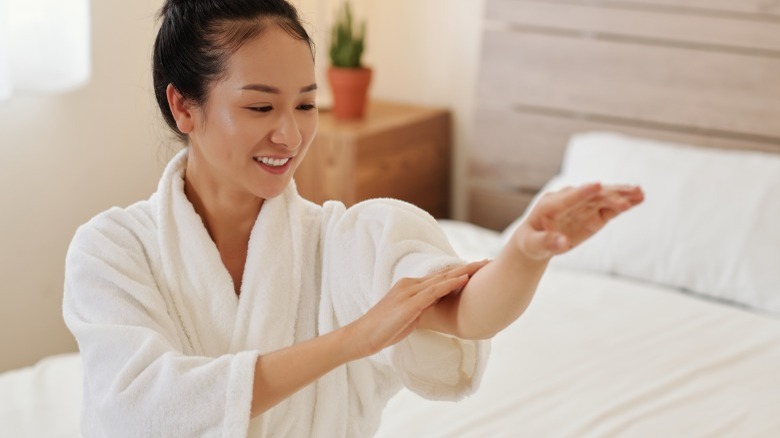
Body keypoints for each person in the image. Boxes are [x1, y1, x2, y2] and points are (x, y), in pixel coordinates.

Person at [62, 0, 644, 436]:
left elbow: (466, 312)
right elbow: (141, 409)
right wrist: (352, 340)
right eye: (261, 106)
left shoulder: (346, 240)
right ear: (184, 106)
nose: (289, 135)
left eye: (307, 105)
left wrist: (523, 253)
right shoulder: (112, 251)